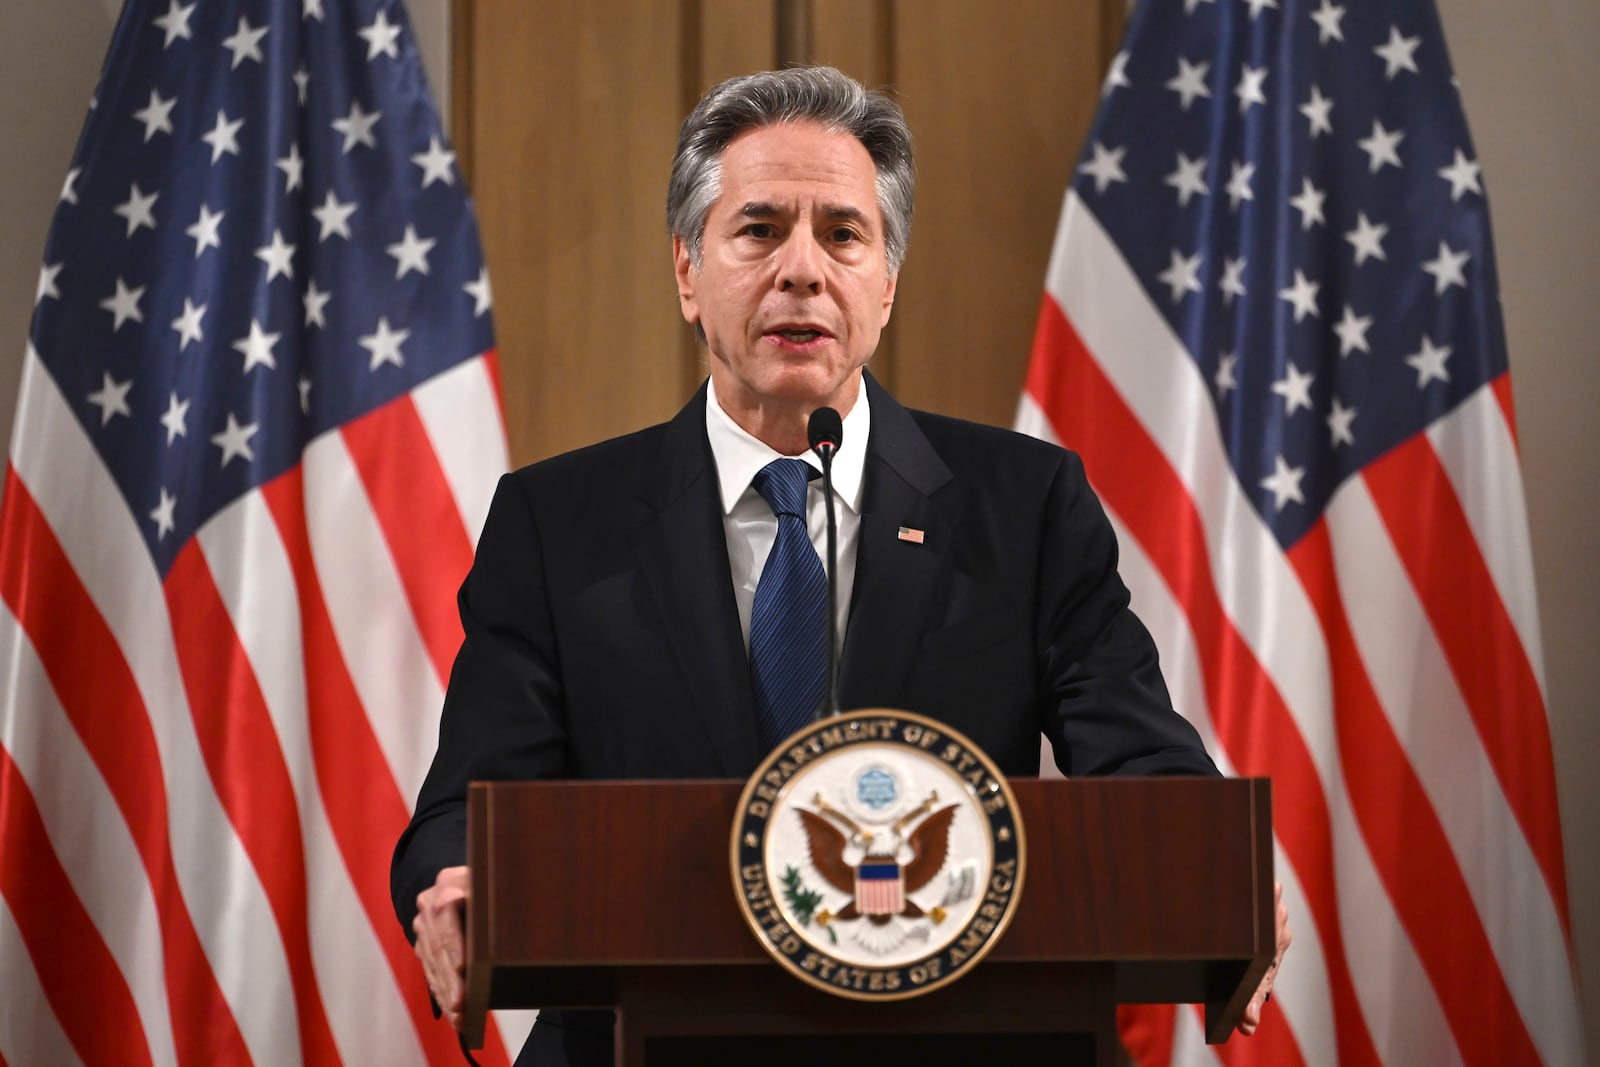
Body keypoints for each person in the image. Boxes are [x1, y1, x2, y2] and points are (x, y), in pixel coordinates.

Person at [392, 65, 1289, 1065]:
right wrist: (458, 883)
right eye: (760, 229)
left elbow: (1139, 760)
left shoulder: (1026, 505)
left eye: (844, 235)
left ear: (887, 280)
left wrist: (1215, 865)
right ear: (687, 270)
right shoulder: (560, 522)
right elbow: (461, 808)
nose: (803, 271)